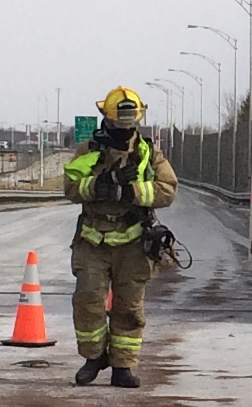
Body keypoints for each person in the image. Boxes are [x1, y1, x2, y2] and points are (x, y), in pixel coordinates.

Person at [60, 85, 176, 387]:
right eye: (119, 123)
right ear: (107, 120)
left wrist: (130, 191)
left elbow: (167, 190)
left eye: (130, 123)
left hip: (133, 242)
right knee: (88, 301)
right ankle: (94, 357)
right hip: (92, 240)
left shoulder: (147, 153)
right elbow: (71, 188)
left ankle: (123, 367)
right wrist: (102, 183)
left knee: (129, 307)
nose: (125, 129)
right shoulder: (89, 151)